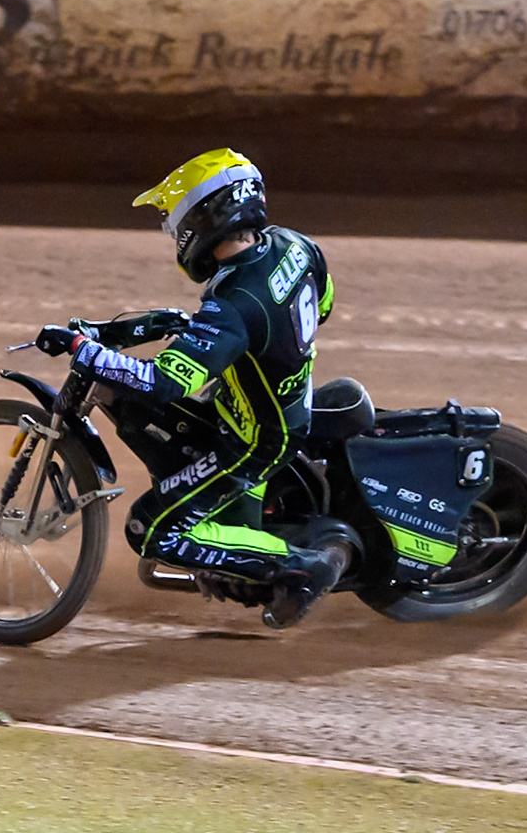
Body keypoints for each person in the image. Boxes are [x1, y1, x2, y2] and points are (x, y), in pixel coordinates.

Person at [32, 149, 358, 628]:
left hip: (254, 439)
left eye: (173, 220)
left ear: (203, 217)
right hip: (283, 397)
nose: (171, 233)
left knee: (150, 529)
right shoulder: (294, 245)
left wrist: (88, 351)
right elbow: (322, 304)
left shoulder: (234, 304)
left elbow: (163, 383)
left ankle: (302, 567)